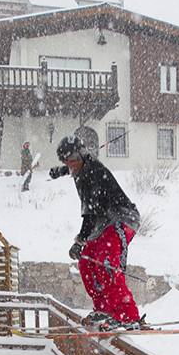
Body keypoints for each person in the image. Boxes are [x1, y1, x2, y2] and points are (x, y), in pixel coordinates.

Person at [47, 134, 146, 329]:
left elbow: (89, 216)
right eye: (65, 161)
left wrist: (79, 241)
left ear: (80, 155)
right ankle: (104, 308)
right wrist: (59, 171)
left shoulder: (93, 174)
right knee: (86, 263)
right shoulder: (78, 165)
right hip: (101, 222)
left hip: (120, 217)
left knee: (105, 261)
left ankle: (127, 313)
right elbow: (71, 169)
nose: (70, 165)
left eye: (72, 160)